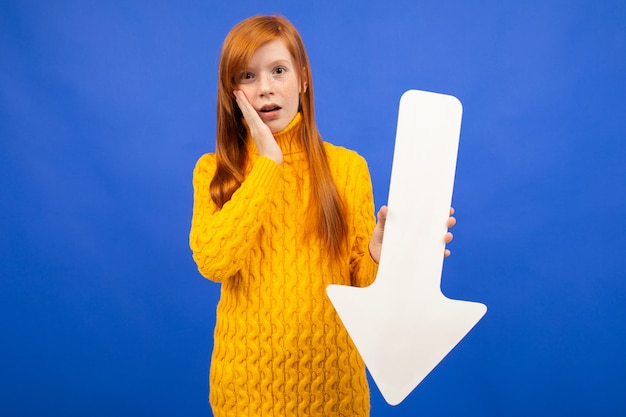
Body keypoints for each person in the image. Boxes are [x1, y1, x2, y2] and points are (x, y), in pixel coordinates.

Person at [189, 15, 456, 417]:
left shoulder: (347, 169)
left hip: (335, 391)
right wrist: (268, 165)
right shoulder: (215, 171)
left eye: (278, 71)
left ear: (303, 79)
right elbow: (213, 261)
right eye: (248, 75)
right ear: (233, 92)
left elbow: (362, 287)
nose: (265, 88)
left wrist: (379, 255)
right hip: (245, 393)